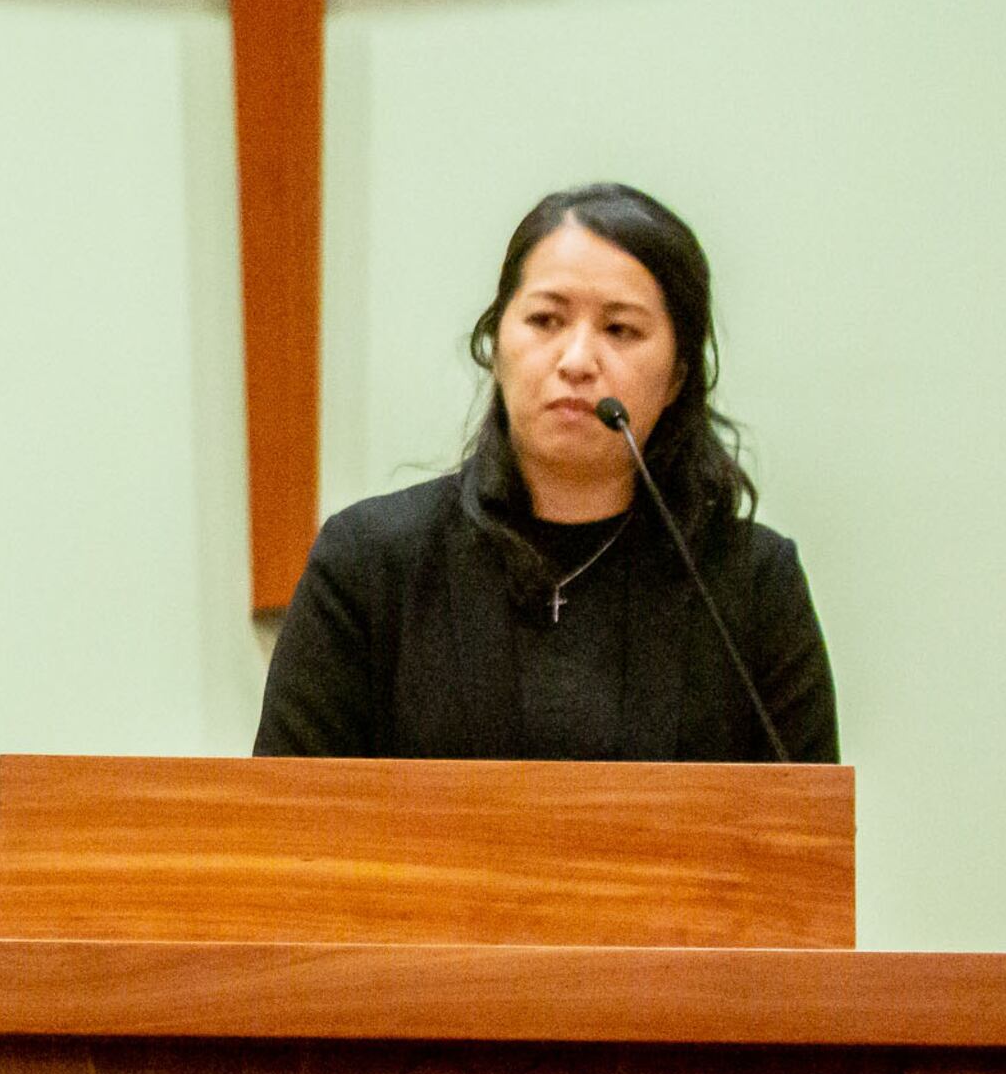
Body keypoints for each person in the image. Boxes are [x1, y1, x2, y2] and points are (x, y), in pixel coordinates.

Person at [254, 182, 839, 763]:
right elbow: (285, 812)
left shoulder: (752, 587)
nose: (577, 361)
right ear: (495, 344)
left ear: (677, 377)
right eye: (545, 319)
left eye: (620, 330)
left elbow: (805, 817)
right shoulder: (370, 564)